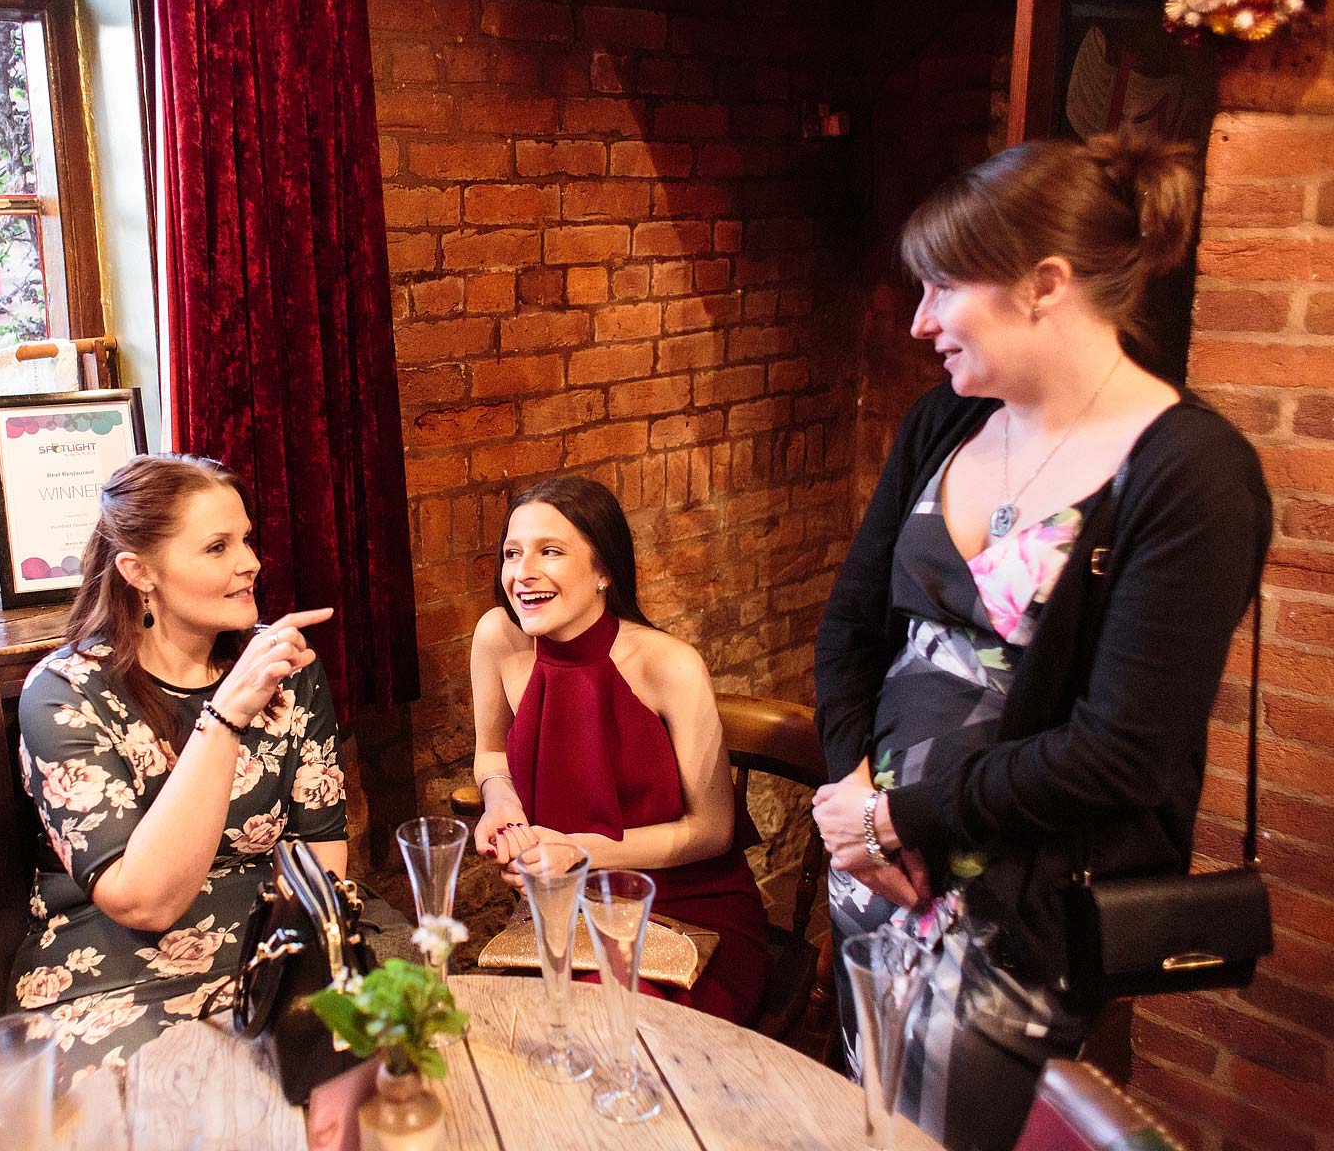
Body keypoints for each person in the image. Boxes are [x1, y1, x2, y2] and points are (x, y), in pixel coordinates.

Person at [812, 133, 1271, 1151]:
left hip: (1013, 918)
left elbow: (1121, 754)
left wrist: (898, 816)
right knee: (860, 1128)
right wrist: (850, 793)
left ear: (1045, 284)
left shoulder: (1189, 475)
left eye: (942, 286)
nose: (921, 319)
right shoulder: (943, 422)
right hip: (872, 870)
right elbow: (852, 627)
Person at [9, 453, 347, 1084]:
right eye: (218, 547)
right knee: (176, 1100)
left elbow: (320, 861)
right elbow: (144, 903)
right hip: (110, 971)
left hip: (264, 952)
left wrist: (304, 975)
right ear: (139, 572)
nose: (250, 562)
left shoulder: (284, 671)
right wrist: (226, 716)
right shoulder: (65, 693)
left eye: (246, 540)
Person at [470, 476, 768, 1023]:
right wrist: (501, 803)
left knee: (597, 1023)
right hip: (567, 909)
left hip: (686, 912)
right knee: (519, 1026)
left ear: (604, 569)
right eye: (512, 553)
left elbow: (713, 831)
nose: (521, 573)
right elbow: (491, 754)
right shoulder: (498, 638)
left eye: (550, 551)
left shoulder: (670, 664)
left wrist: (578, 853)